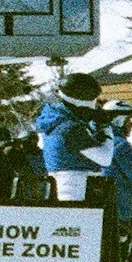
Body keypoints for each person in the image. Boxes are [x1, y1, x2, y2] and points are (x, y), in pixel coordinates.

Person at [37, 74, 112, 204]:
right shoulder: (71, 129)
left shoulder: (55, 121)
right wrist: (105, 127)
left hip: (64, 187)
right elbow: (105, 158)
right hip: (75, 191)